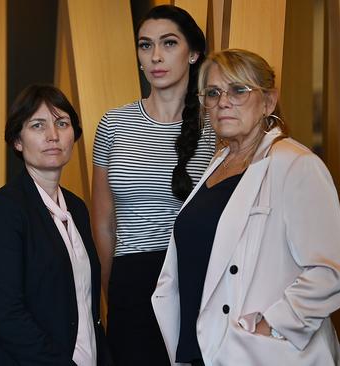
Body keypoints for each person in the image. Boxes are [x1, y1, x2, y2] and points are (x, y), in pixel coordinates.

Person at [151, 49, 340, 365]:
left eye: (238, 90)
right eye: (213, 93)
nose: (223, 102)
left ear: (268, 102)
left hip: (259, 351)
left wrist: (269, 325)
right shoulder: (218, 163)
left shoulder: (296, 165)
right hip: (202, 347)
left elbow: (329, 272)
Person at [91, 5, 216, 365]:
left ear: (193, 53)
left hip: (196, 276)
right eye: (145, 45)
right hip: (130, 278)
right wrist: (111, 288)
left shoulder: (215, 127)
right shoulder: (114, 124)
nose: (156, 56)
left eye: (169, 43)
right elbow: (104, 221)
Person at [0, 85, 111, 366]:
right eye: (38, 126)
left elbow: (87, 305)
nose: (53, 136)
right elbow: (8, 315)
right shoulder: (4, 210)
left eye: (62, 123)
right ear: (17, 140)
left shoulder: (76, 208)